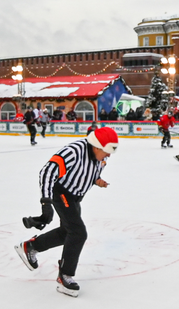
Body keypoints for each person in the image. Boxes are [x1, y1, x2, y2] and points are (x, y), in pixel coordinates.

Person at [14, 126, 119, 297]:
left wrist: (97, 181)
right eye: (106, 151)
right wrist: (46, 203)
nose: (108, 156)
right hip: (61, 193)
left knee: (67, 232)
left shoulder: (101, 157)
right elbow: (47, 172)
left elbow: (90, 172)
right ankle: (65, 276)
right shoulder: (74, 151)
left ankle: (30, 246)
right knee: (78, 233)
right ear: (96, 146)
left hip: (76, 197)